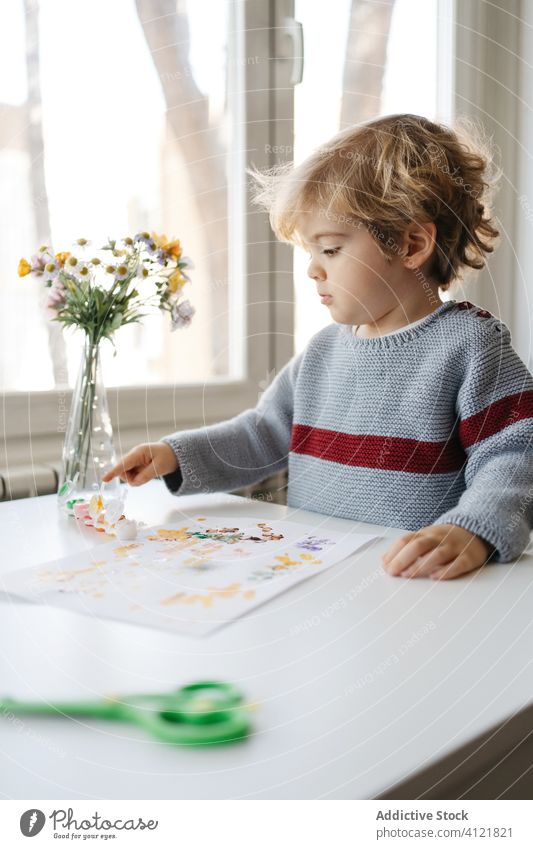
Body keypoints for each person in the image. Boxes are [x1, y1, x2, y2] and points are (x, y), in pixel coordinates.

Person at [103, 113, 533, 581]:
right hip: (316, 577)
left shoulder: (471, 346)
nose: (312, 269)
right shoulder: (323, 352)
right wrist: (176, 455)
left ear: (411, 244)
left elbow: (516, 454)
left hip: (415, 588)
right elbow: (263, 434)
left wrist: (472, 530)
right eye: (309, 253)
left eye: (329, 249)